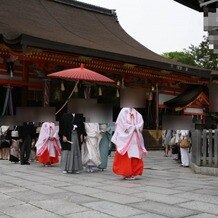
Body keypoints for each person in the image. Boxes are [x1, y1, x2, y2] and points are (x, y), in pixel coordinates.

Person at [111, 107, 148, 180]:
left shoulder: (138, 114)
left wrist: (134, 127)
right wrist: (133, 128)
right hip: (126, 137)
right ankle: (127, 172)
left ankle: (133, 172)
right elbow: (121, 123)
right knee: (127, 154)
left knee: (134, 154)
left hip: (134, 137)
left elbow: (140, 124)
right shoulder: (123, 111)